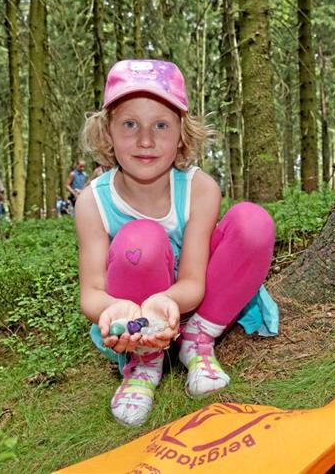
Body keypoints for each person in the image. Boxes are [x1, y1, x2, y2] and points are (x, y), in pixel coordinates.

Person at [76, 59, 277, 427]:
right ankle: (143, 364)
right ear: (107, 132)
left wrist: (166, 302)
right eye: (130, 124)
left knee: (253, 223)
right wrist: (121, 311)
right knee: (141, 241)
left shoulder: (200, 189)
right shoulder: (92, 202)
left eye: (161, 125)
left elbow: (193, 283)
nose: (146, 140)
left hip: (193, 305)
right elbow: (90, 292)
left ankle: (196, 342)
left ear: (182, 133)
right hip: (135, 319)